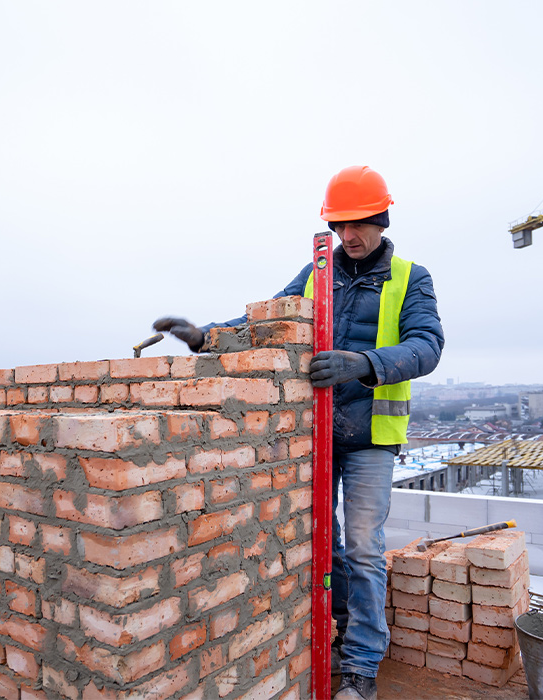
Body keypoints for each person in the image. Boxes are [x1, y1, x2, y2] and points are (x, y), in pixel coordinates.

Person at [154, 165, 444, 700]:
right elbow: (268, 322)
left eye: (358, 225)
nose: (348, 236)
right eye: (339, 226)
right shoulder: (317, 271)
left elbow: (427, 346)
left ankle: (360, 664)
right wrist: (206, 337)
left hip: (371, 438)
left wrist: (363, 362)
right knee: (323, 542)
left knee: (361, 546)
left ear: (381, 220)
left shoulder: (410, 276)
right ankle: (335, 633)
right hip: (316, 434)